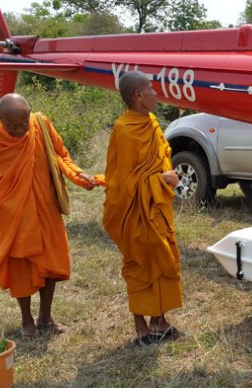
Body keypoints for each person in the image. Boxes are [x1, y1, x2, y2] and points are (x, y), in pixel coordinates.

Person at [0, 93, 96, 340]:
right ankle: (26, 320)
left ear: (30, 114)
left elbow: (60, 154)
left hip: (46, 208)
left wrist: (76, 174)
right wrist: (11, 204)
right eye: (12, 126)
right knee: (22, 268)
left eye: (23, 123)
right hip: (16, 218)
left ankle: (45, 317)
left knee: (50, 263)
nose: (19, 130)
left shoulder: (40, 124)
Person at [103, 71, 183, 346]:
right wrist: (159, 179)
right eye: (151, 89)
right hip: (135, 210)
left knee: (164, 259)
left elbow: (161, 156)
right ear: (138, 95)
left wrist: (165, 176)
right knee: (139, 264)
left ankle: (159, 321)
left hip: (158, 206)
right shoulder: (124, 131)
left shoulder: (150, 122)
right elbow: (123, 182)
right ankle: (141, 327)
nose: (156, 93)